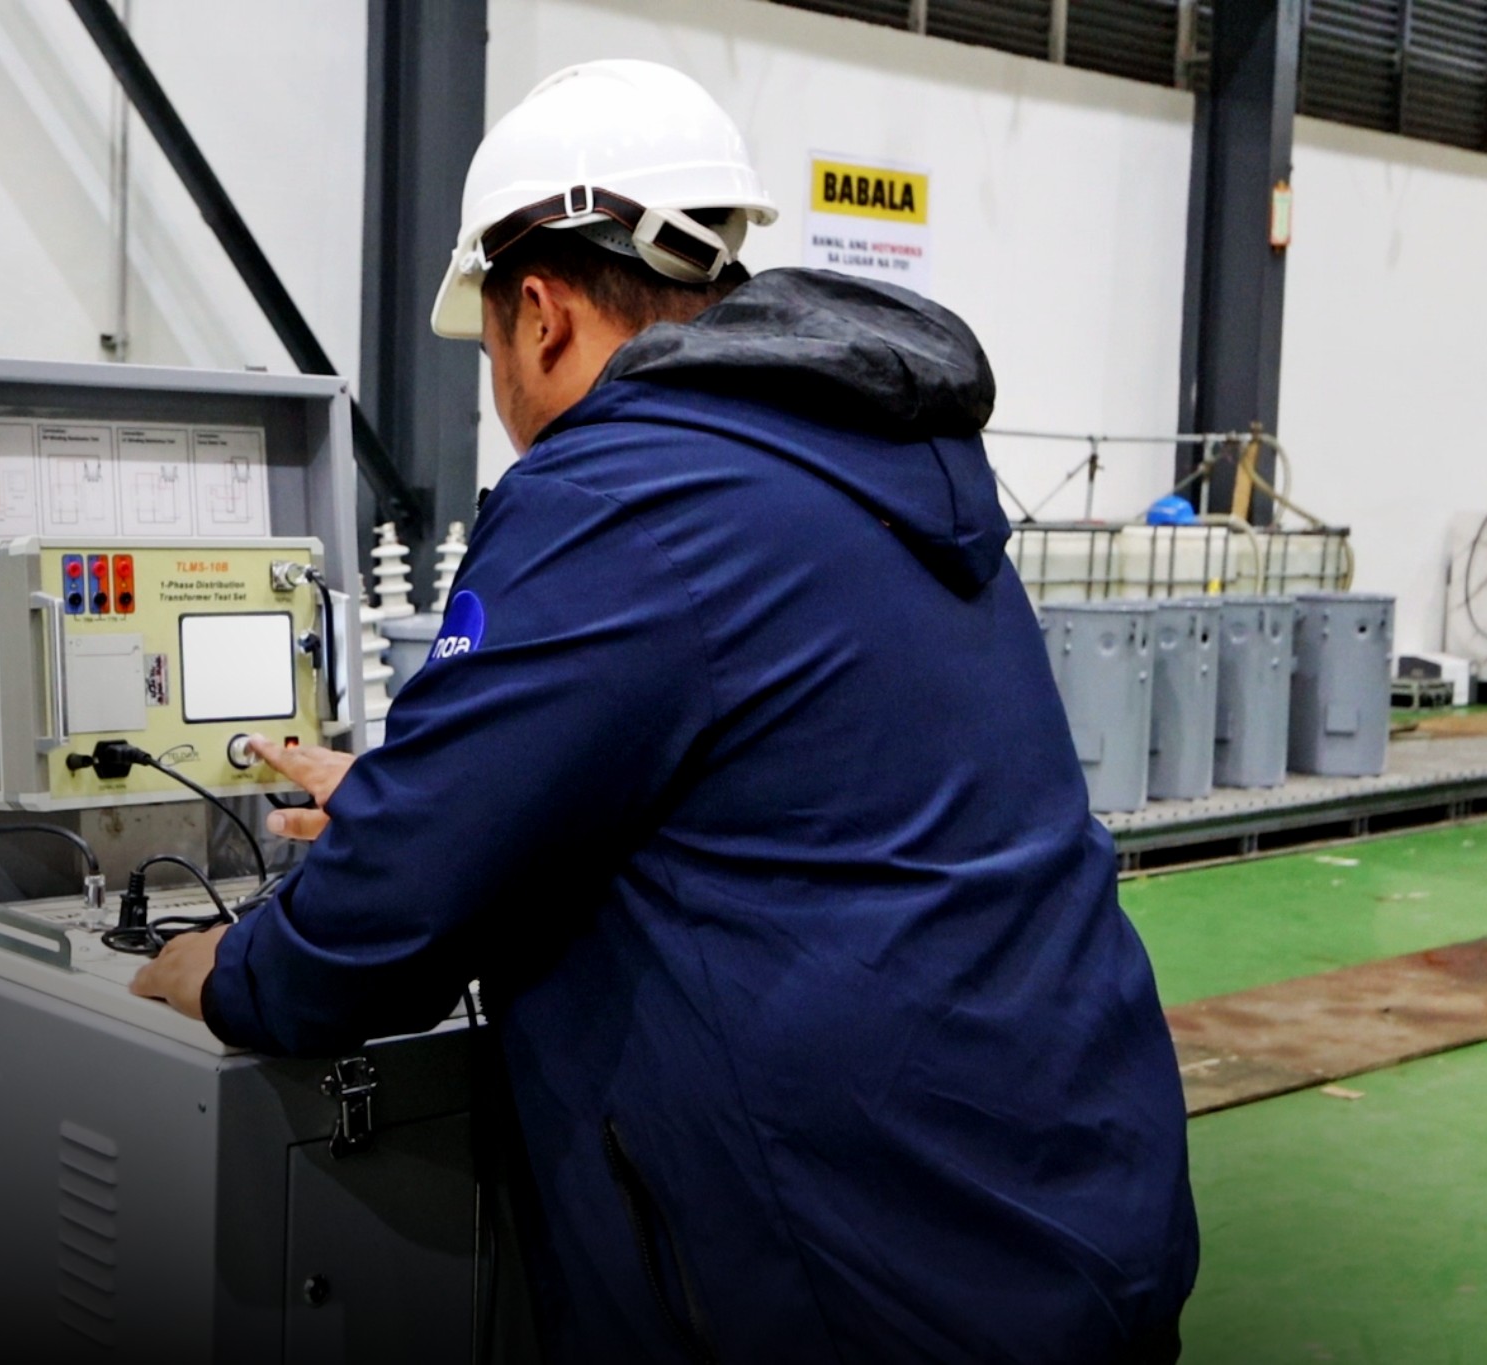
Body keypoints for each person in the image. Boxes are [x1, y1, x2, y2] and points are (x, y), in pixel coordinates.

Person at [133, 58, 1198, 1364]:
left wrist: (227, 972)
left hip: (854, 1290)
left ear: (539, 315)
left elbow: (385, 930)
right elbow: (766, 789)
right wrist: (424, 799)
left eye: (491, 355)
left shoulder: (617, 494)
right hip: (1063, 1223)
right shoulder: (865, 462)